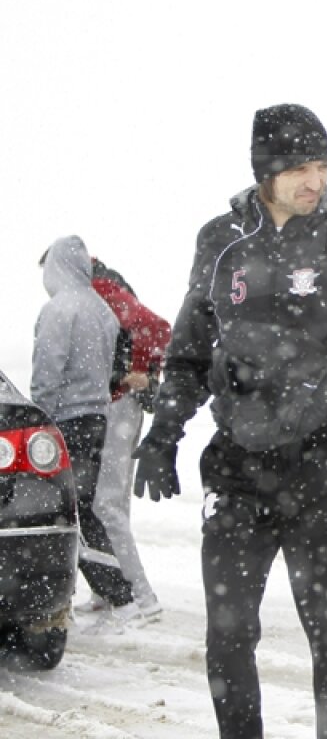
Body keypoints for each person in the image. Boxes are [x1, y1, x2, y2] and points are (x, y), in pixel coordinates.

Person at [131, 103, 327, 739]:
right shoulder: (220, 240)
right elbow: (190, 351)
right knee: (229, 636)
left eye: (323, 166)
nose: (316, 181)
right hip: (237, 470)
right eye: (300, 168)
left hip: (323, 467)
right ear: (265, 170)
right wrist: (165, 432)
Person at [32, 236, 139, 628]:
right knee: (86, 508)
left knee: (65, 513)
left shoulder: (60, 310)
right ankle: (111, 595)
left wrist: (40, 420)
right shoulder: (101, 309)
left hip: (64, 422)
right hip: (96, 419)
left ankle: (118, 596)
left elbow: (48, 370)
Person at [74, 258, 171, 622]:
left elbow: (156, 327)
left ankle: (142, 598)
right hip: (121, 407)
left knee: (106, 506)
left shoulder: (101, 290)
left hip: (118, 407)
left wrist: (138, 373)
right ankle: (108, 589)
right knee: (113, 504)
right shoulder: (107, 288)